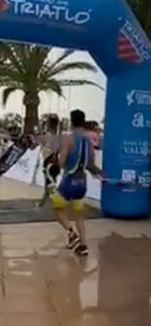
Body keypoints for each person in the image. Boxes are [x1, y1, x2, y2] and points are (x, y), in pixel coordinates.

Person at [52, 109, 102, 257]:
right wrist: (101, 175)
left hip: (68, 182)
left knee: (58, 207)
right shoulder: (88, 140)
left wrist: (55, 165)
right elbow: (91, 165)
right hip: (82, 184)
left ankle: (71, 233)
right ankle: (83, 245)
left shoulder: (68, 139)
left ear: (71, 121)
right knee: (79, 215)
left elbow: (61, 161)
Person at [38, 115, 62, 207]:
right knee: (52, 182)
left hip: (49, 161)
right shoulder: (57, 136)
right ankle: (45, 201)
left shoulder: (48, 136)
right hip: (54, 161)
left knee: (49, 183)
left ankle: (46, 201)